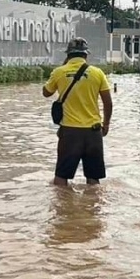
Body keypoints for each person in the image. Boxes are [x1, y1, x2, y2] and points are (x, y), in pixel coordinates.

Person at [42, 37, 113, 186]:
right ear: (86, 55)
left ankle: (64, 208)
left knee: (61, 178)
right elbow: (108, 102)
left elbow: (46, 92)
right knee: (93, 180)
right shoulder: (97, 73)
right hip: (93, 132)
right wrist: (105, 124)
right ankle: (92, 207)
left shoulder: (59, 72)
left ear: (68, 55)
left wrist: (63, 68)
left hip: (69, 132)